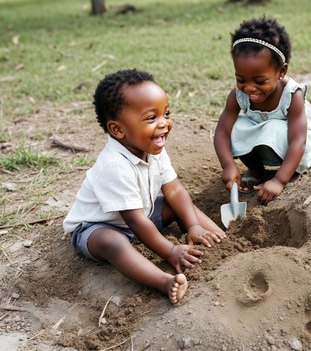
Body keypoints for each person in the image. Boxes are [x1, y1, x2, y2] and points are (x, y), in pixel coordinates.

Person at [63, 69, 226, 304]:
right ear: (118, 129)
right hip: (98, 228)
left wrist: (192, 225)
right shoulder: (114, 166)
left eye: (166, 113)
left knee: (177, 204)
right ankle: (163, 281)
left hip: (143, 214)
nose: (164, 124)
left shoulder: (152, 148)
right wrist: (170, 251)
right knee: (113, 242)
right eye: (152, 118)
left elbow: (175, 190)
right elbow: (135, 221)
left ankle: (218, 239)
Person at [214, 17, 311, 205]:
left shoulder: (292, 95)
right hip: (264, 134)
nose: (249, 88)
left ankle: (289, 173)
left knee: (274, 127)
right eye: (241, 79)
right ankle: (257, 170)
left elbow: (298, 140)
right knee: (235, 127)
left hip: (292, 142)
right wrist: (228, 165)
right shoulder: (237, 95)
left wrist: (279, 181)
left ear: (281, 72)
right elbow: (222, 133)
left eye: (259, 81)